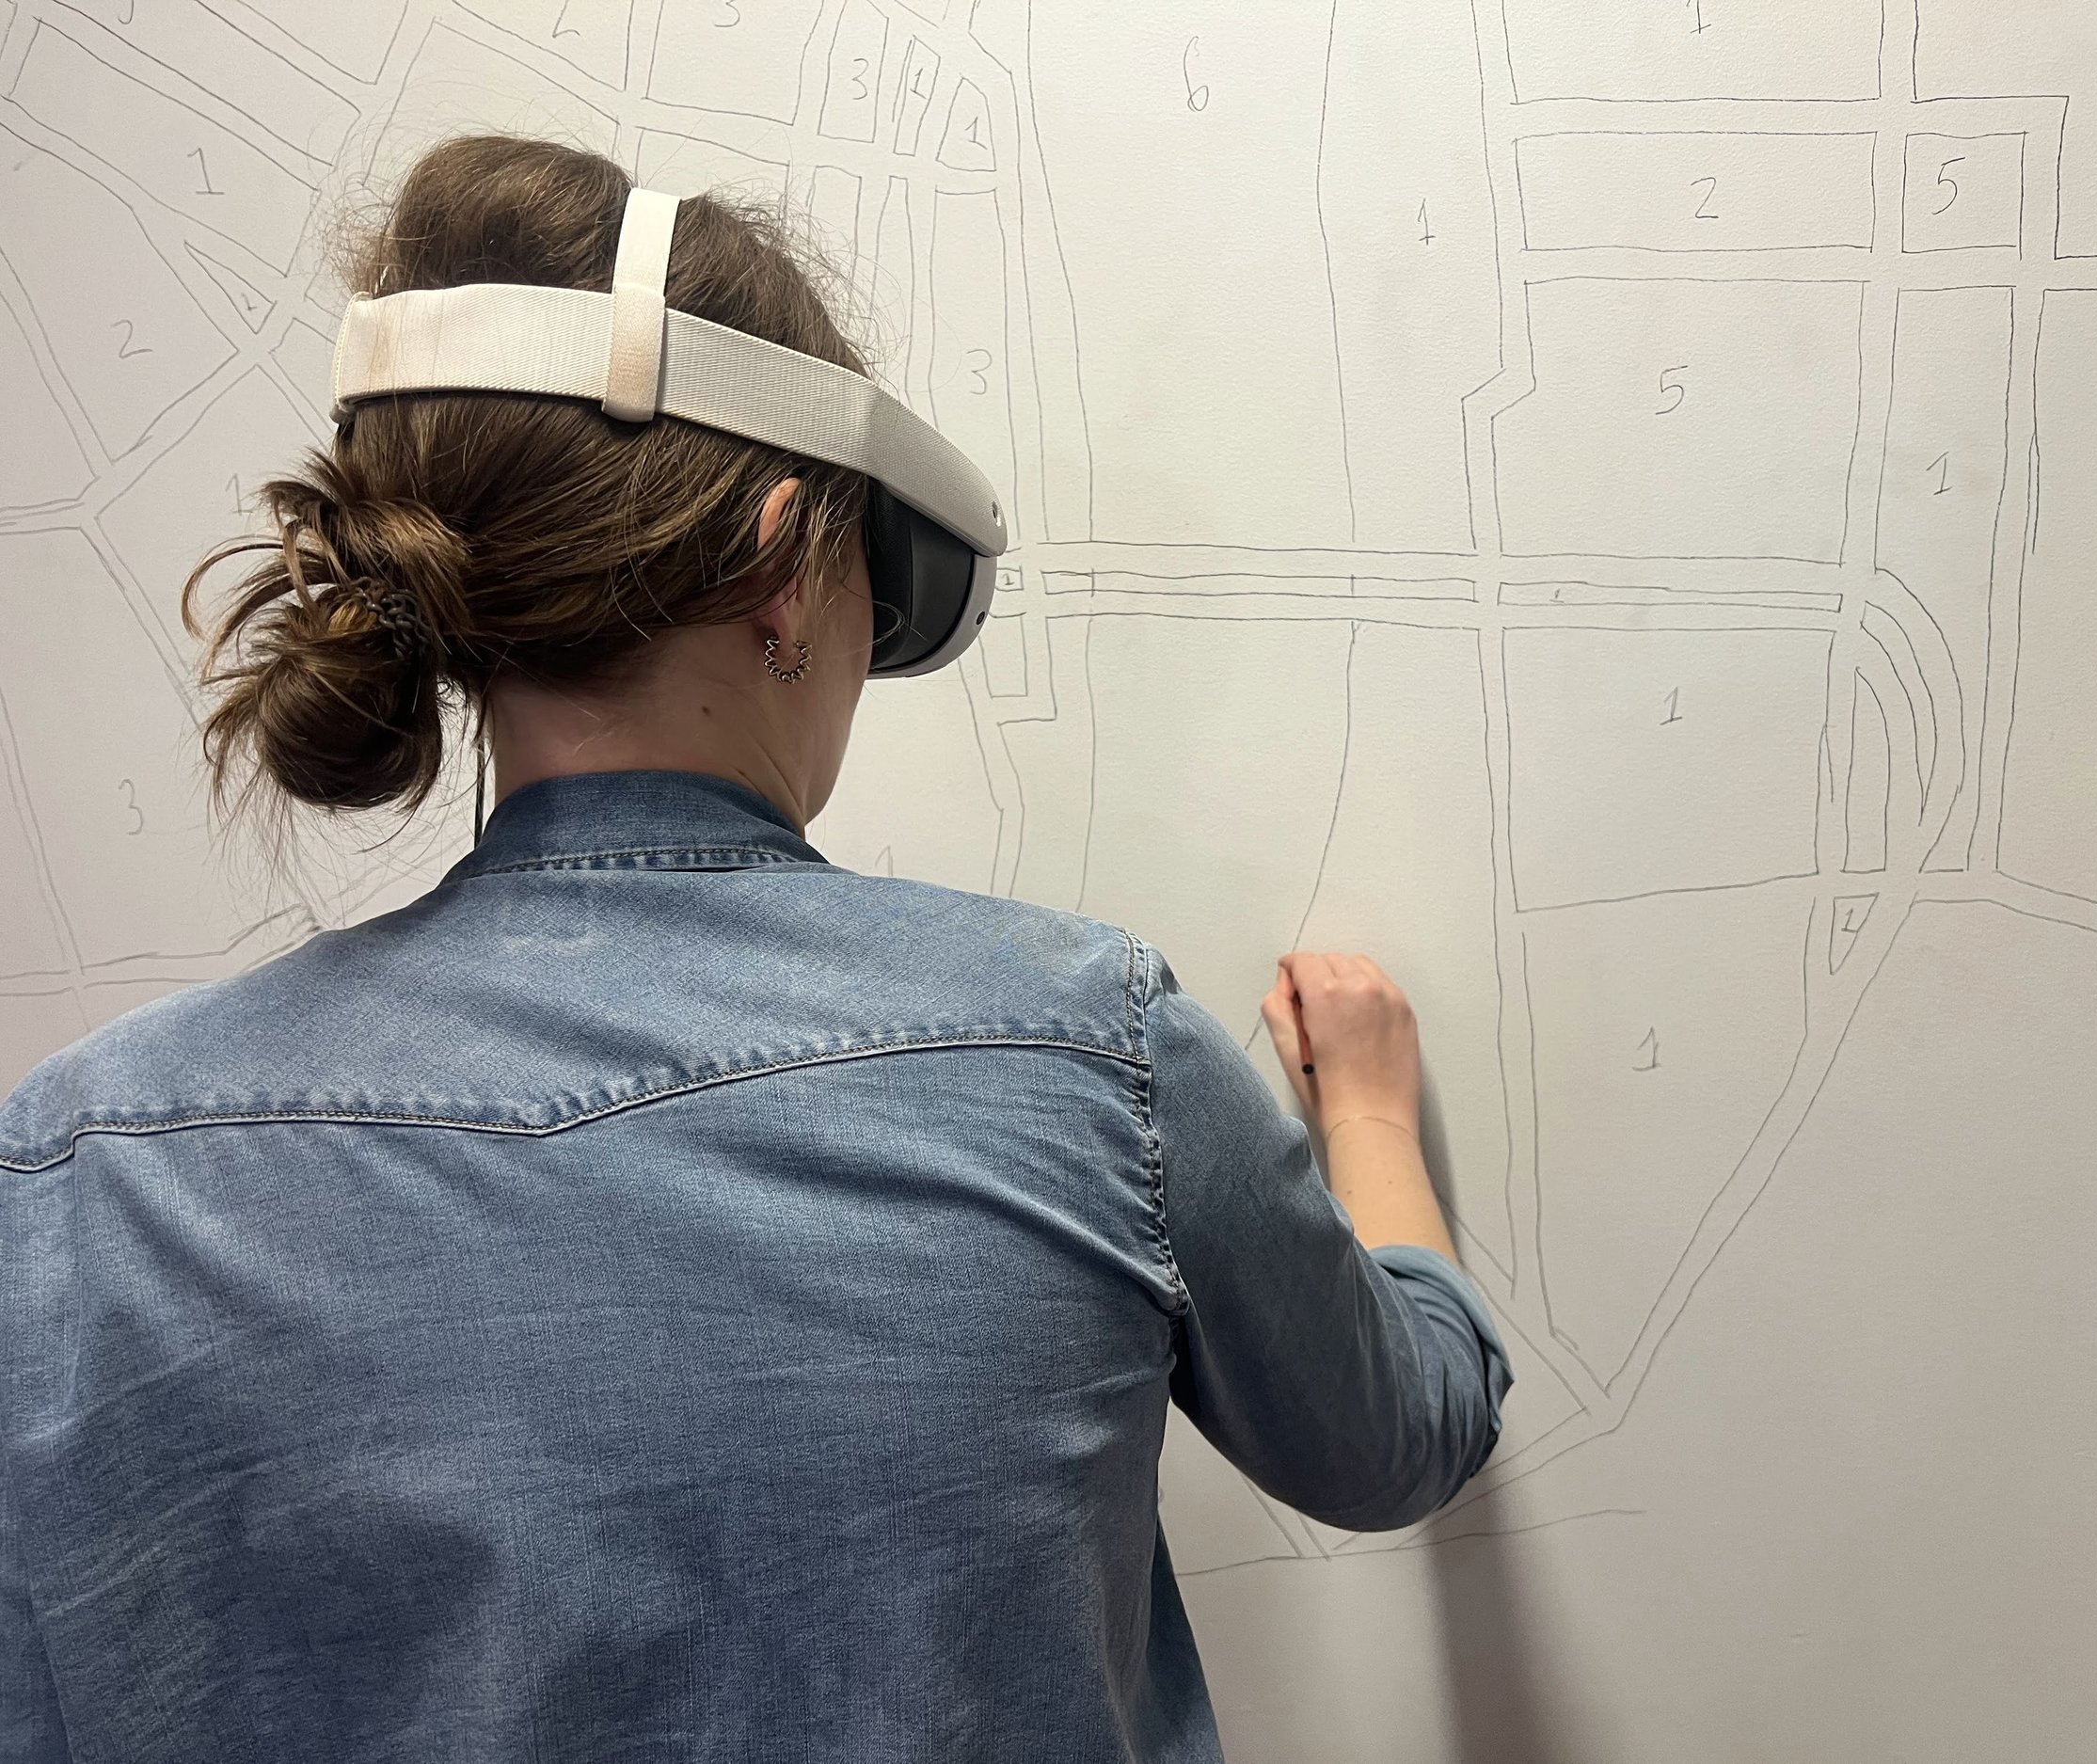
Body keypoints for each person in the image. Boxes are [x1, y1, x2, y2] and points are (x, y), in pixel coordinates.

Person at [0, 135, 1510, 1761]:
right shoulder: (1089, 1058)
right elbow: (1400, 1434)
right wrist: (1367, 1112)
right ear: (785, 569)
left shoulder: (72, 1182)